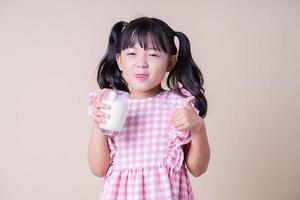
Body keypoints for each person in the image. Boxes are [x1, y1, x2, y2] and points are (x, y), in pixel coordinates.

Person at [88, 16, 210, 200]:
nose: (141, 63)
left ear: (170, 62)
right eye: (132, 54)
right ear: (119, 60)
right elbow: (98, 169)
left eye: (152, 54)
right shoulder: (111, 104)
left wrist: (199, 128)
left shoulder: (178, 104)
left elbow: (197, 169)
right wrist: (98, 126)